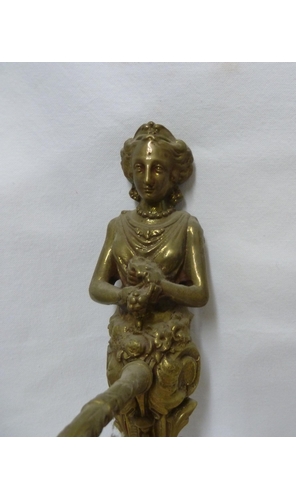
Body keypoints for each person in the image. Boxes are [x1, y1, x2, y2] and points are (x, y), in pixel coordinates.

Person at [89, 122, 209, 436]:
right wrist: (121, 295)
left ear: (174, 174)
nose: (147, 178)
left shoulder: (186, 226)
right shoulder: (118, 226)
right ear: (129, 172)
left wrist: (161, 285)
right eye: (139, 168)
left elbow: (200, 294)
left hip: (168, 345)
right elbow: (96, 286)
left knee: (163, 413)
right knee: (125, 413)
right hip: (125, 342)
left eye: (157, 168)